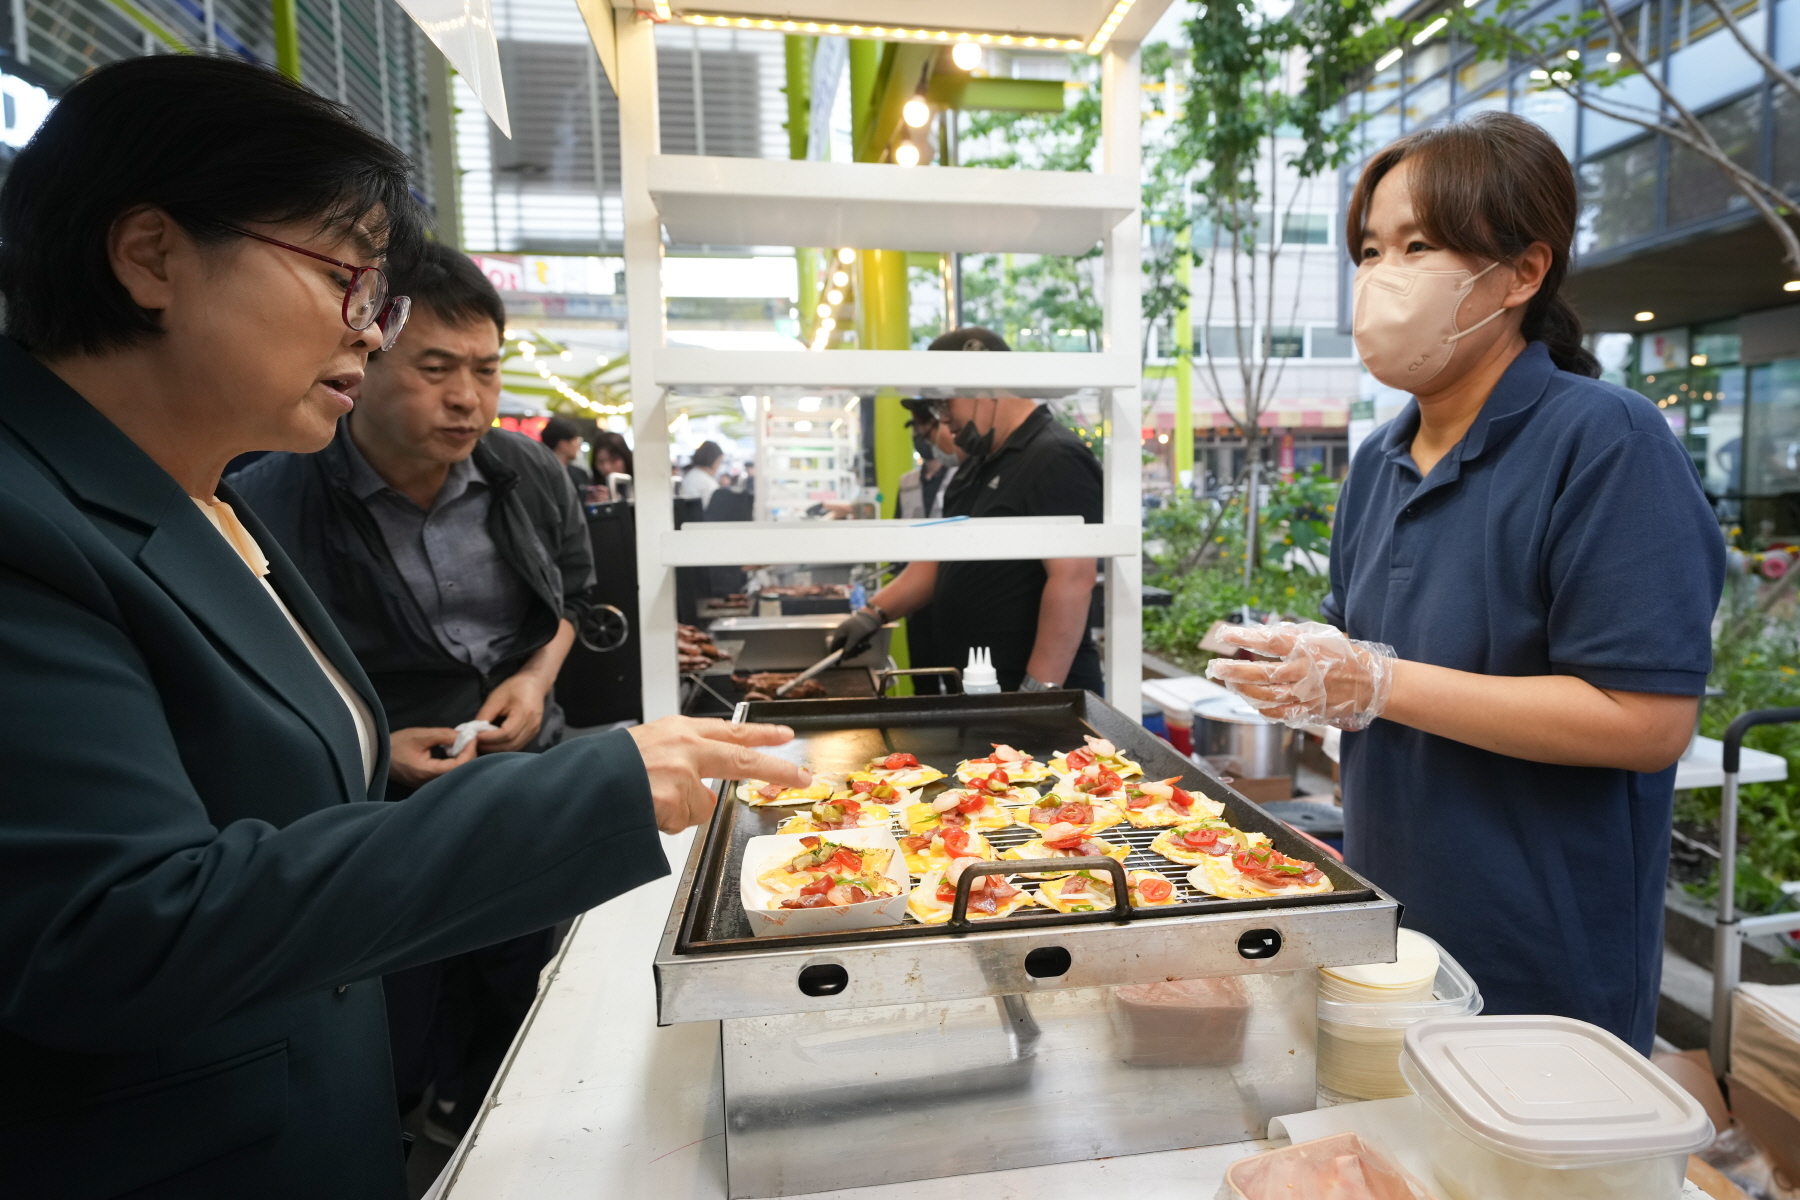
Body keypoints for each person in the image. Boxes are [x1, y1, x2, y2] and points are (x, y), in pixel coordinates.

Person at [0, 56, 806, 1199]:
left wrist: (374, 756)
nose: (368, 334)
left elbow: (221, 768)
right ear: (152, 256)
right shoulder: (30, 522)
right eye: (346, 282)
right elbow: (111, 932)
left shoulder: (209, 495)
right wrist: (589, 787)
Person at [1206, 112, 1724, 1053]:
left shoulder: (1606, 442)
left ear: (1524, 272)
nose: (1383, 275)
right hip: (1392, 926)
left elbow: (1649, 723)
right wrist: (1304, 668)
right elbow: (1359, 667)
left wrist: (1382, 681)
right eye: (1370, 248)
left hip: (1543, 955)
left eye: (1419, 245)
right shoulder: (1380, 459)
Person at [232, 242, 592, 1143]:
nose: (468, 398)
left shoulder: (529, 475)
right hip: (376, 816)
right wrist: (372, 744)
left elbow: (573, 603)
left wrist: (533, 680)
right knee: (395, 1017)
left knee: (530, 990)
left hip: (521, 779)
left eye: (485, 370)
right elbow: (253, 675)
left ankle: (495, 1126)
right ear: (367, 353)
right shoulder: (268, 496)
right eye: (435, 369)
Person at [828, 327, 1103, 693]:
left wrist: (1037, 693)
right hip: (978, 685)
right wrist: (872, 614)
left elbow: (1072, 580)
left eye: (946, 403)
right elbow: (939, 559)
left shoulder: (1054, 457)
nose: (944, 421)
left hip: (1028, 691)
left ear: (985, 387)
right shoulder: (976, 465)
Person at [896, 398, 959, 521]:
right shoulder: (907, 481)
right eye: (916, 430)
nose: (919, 437)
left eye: (926, 433)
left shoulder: (959, 475)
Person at [541, 414, 592, 495]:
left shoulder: (579, 474)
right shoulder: (544, 476)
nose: (578, 446)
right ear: (563, 445)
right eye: (576, 441)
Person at [590, 428, 633, 501]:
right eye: (600, 462)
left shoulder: (641, 485)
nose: (606, 467)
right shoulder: (595, 490)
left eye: (613, 460)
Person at [679, 439, 723, 506]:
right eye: (720, 461)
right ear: (713, 461)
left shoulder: (691, 475)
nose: (719, 466)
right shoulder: (706, 481)